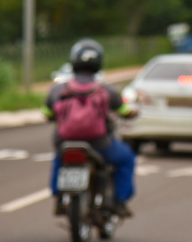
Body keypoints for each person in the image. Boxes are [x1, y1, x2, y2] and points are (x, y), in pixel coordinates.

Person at [43, 38, 138, 217]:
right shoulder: (106, 90)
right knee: (126, 159)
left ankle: (59, 196)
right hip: (100, 144)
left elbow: (47, 113)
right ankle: (119, 201)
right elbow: (124, 110)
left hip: (65, 140)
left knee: (60, 158)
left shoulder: (57, 89)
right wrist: (131, 113)